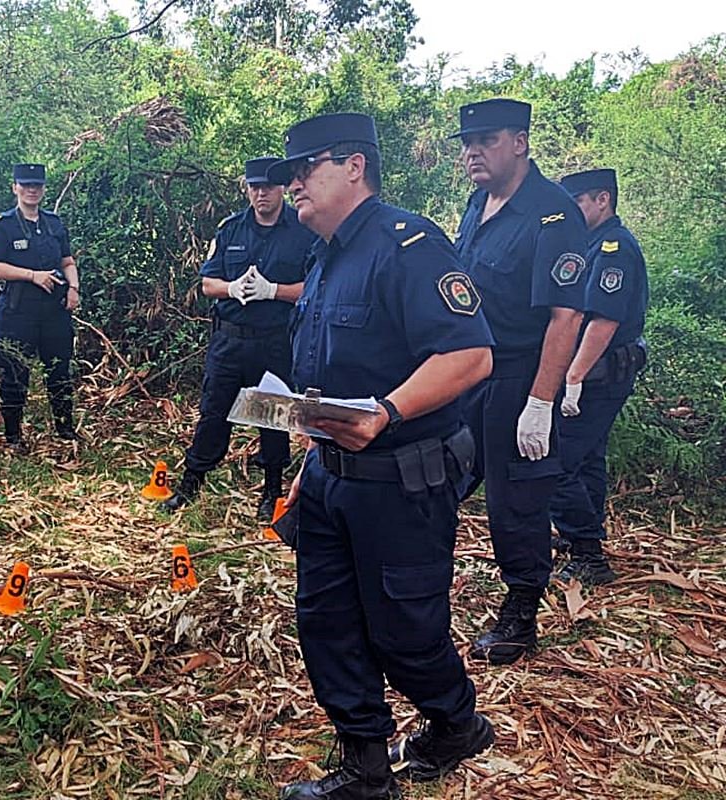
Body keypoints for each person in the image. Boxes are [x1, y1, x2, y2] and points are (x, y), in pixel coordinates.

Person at [267, 113, 496, 800]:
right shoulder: (327, 256)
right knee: (327, 622)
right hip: (333, 474)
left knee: (402, 629)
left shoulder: (408, 245)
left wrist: (388, 411)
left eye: (306, 169)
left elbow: (472, 353)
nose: (294, 184)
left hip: (402, 479)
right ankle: (365, 767)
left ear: (354, 166)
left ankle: (456, 723)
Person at [451, 98, 588, 665]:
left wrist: (541, 401)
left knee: (517, 499)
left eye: (485, 139)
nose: (471, 152)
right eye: (466, 142)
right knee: (444, 474)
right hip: (468, 369)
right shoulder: (477, 204)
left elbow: (566, 316)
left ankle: (521, 613)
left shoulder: (553, 214)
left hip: (517, 374)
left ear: (520, 142)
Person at [160, 156, 316, 519]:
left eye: (268, 186)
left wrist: (273, 290)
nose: (261, 193)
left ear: (281, 188)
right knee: (214, 411)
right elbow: (207, 284)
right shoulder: (230, 229)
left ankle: (272, 489)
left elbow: (315, 286)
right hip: (230, 340)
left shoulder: (302, 231)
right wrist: (231, 288)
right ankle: (192, 481)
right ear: (247, 189)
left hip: (275, 340)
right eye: (254, 187)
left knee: (273, 417)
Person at [550, 168, 649, 585]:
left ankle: (589, 555)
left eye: (578, 204)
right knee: (587, 459)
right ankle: (584, 537)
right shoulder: (590, 243)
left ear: (602, 200)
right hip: (595, 374)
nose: (572, 213)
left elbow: (603, 322)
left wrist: (571, 378)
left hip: (598, 375)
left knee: (556, 463)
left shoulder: (613, 248)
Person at [0, 163, 81, 450]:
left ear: (43, 189)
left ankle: (65, 431)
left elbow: (67, 261)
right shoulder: (4, 225)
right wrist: (32, 276)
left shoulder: (53, 223)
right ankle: (13, 437)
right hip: (18, 312)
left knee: (59, 371)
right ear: (15, 188)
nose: (31, 190)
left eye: (36, 185)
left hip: (54, 311)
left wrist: (73, 288)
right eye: (25, 185)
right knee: (14, 373)